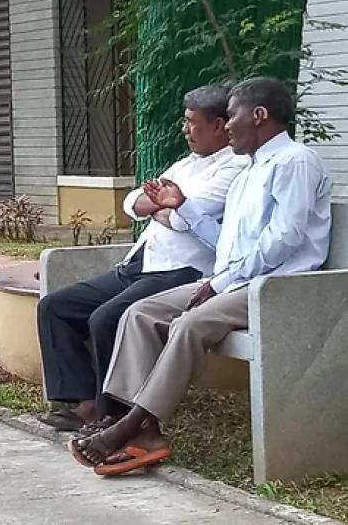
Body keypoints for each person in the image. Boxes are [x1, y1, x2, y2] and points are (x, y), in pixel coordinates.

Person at [69, 76, 332, 476]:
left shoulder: (294, 161)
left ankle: (126, 427)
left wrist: (219, 283)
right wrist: (184, 207)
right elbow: (224, 242)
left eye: (232, 116)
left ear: (259, 115)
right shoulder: (249, 170)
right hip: (236, 280)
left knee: (190, 324)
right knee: (138, 314)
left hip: (277, 286)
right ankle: (147, 433)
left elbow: (283, 240)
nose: (226, 126)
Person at [36, 84, 247, 435]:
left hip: (183, 271)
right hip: (141, 262)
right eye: (185, 120)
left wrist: (168, 209)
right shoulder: (185, 165)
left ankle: (114, 416)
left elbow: (182, 216)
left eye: (193, 122)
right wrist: (160, 207)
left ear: (219, 125)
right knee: (56, 307)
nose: (185, 129)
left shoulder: (234, 169)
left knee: (107, 319)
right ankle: (82, 404)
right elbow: (132, 202)